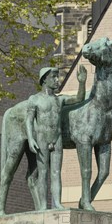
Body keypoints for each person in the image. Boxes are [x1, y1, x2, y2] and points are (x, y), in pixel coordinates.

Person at [25, 66, 87, 211]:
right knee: (43, 173)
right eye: (53, 77)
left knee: (56, 173)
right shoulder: (34, 99)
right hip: (41, 139)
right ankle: (42, 206)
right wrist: (30, 139)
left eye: (57, 76)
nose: (56, 80)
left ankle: (57, 203)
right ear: (44, 79)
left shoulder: (60, 100)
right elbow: (28, 120)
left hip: (56, 139)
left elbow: (79, 98)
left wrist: (82, 82)